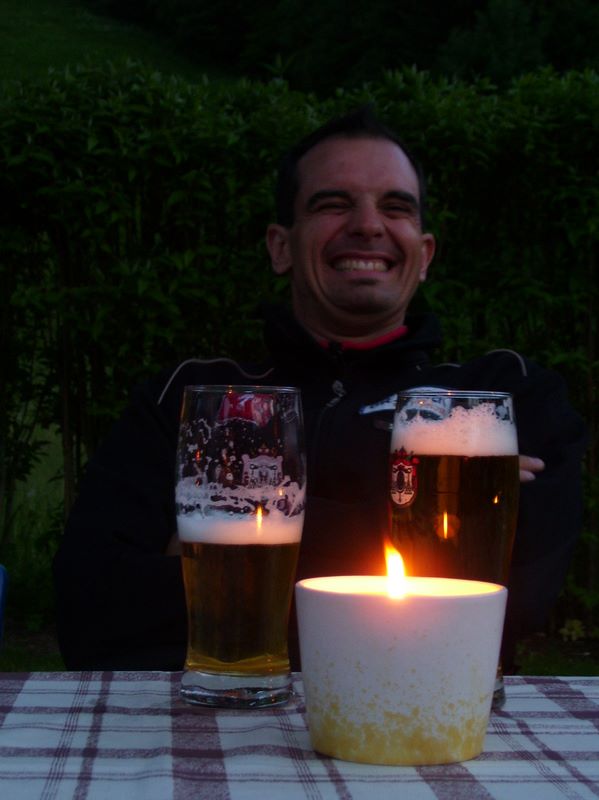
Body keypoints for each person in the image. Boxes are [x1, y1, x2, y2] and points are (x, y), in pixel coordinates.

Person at [53, 107, 587, 673]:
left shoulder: (500, 396)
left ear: (425, 254)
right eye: (333, 203)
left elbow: (512, 603)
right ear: (280, 247)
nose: (368, 225)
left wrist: (215, 550)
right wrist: (419, 514)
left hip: (435, 714)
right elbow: (92, 609)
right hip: (214, 710)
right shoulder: (186, 396)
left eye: (396, 207)